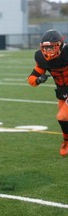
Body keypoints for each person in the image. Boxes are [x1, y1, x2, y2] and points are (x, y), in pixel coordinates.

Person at [28, 29, 68, 157]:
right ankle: (66, 141)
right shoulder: (42, 58)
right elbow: (31, 78)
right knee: (64, 120)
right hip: (62, 92)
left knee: (62, 116)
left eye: (51, 47)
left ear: (60, 45)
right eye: (46, 48)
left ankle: (66, 142)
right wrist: (39, 79)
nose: (48, 51)